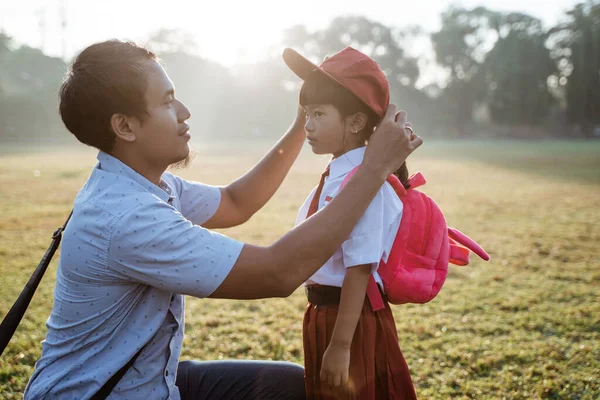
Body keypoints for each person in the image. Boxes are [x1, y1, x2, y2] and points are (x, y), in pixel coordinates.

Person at [23, 40, 422, 400]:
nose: (184, 112)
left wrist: (307, 119)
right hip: (104, 394)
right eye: (167, 102)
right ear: (124, 126)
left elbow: (236, 202)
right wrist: (373, 169)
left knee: (291, 387)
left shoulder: (147, 185)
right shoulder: (127, 218)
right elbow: (278, 273)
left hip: (150, 382)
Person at [284, 47, 418, 399]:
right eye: (305, 113)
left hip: (351, 319)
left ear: (356, 122)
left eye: (318, 114)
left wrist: (341, 345)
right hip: (327, 312)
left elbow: (360, 267)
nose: (307, 124)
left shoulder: (363, 180)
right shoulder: (340, 172)